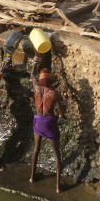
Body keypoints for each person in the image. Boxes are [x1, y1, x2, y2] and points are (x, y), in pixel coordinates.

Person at [30, 56, 68, 193]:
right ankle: (58, 186)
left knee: (36, 149)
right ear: (50, 80)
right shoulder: (54, 93)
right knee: (57, 154)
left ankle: (32, 177)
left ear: (40, 80)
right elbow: (62, 113)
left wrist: (35, 62)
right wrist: (65, 100)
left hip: (38, 121)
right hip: (49, 122)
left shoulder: (35, 87)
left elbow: (32, 74)